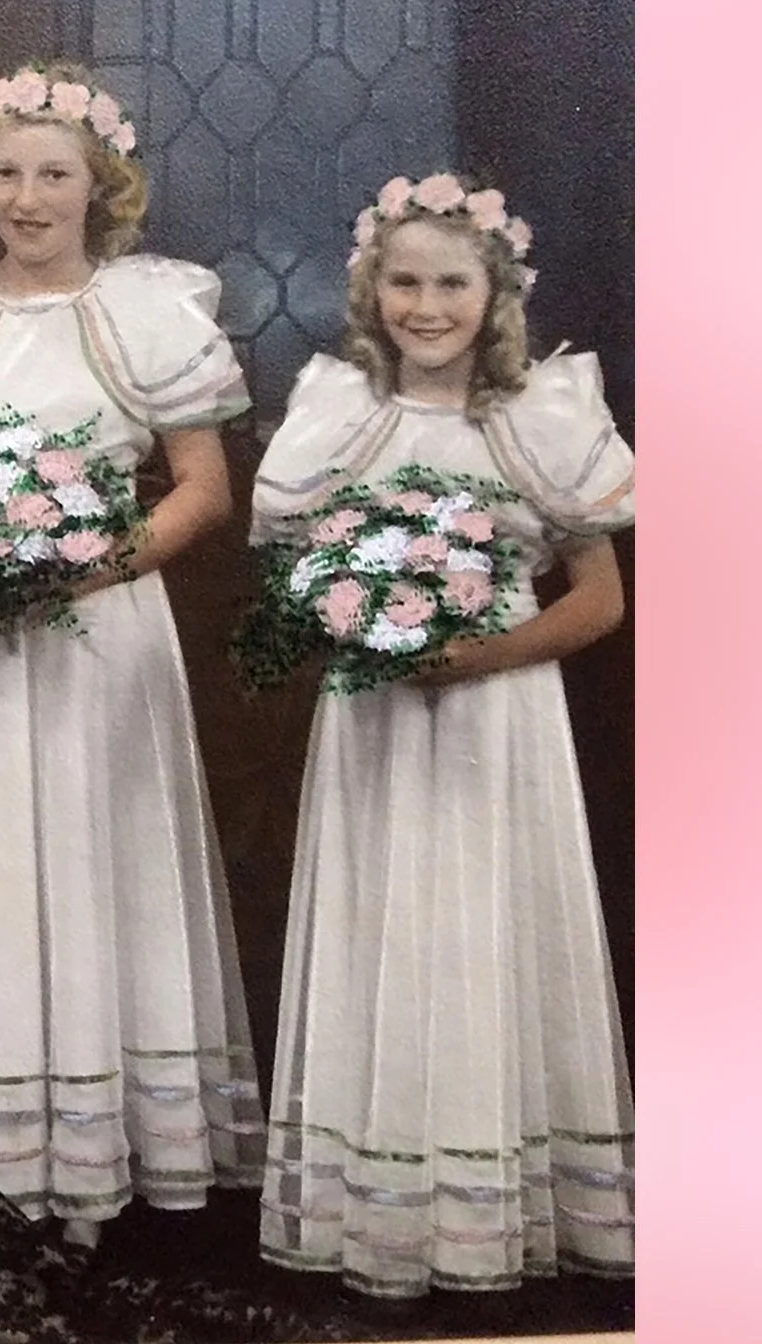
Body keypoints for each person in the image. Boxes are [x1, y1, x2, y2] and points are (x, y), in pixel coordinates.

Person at [0, 64, 264, 1247]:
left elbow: (204, 491)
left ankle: (96, 1154)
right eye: (7, 172)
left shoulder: (144, 310)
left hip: (101, 632)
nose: (28, 198)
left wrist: (90, 561)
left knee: (93, 857)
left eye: (55, 174)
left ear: (100, 186)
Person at [252, 173, 634, 1296]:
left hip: (496, 724)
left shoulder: (540, 417)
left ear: (495, 291)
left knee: (485, 928)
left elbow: (598, 602)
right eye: (405, 282)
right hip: (373, 726)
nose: (428, 307)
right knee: (387, 930)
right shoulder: (340, 413)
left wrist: (469, 655)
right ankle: (370, 1210)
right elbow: (288, 580)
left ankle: (489, 1211)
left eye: (452, 283)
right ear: (374, 291)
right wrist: (352, 621)